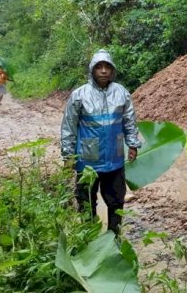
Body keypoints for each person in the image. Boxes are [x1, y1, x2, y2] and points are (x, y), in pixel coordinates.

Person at [60, 49, 141, 235]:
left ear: (112, 70)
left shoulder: (121, 93)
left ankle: (114, 239)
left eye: (107, 67)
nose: (103, 71)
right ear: (92, 70)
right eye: (99, 67)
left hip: (114, 160)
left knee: (116, 202)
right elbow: (69, 127)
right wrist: (68, 155)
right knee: (86, 202)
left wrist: (133, 144)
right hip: (87, 162)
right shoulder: (79, 95)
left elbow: (129, 121)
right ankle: (89, 237)